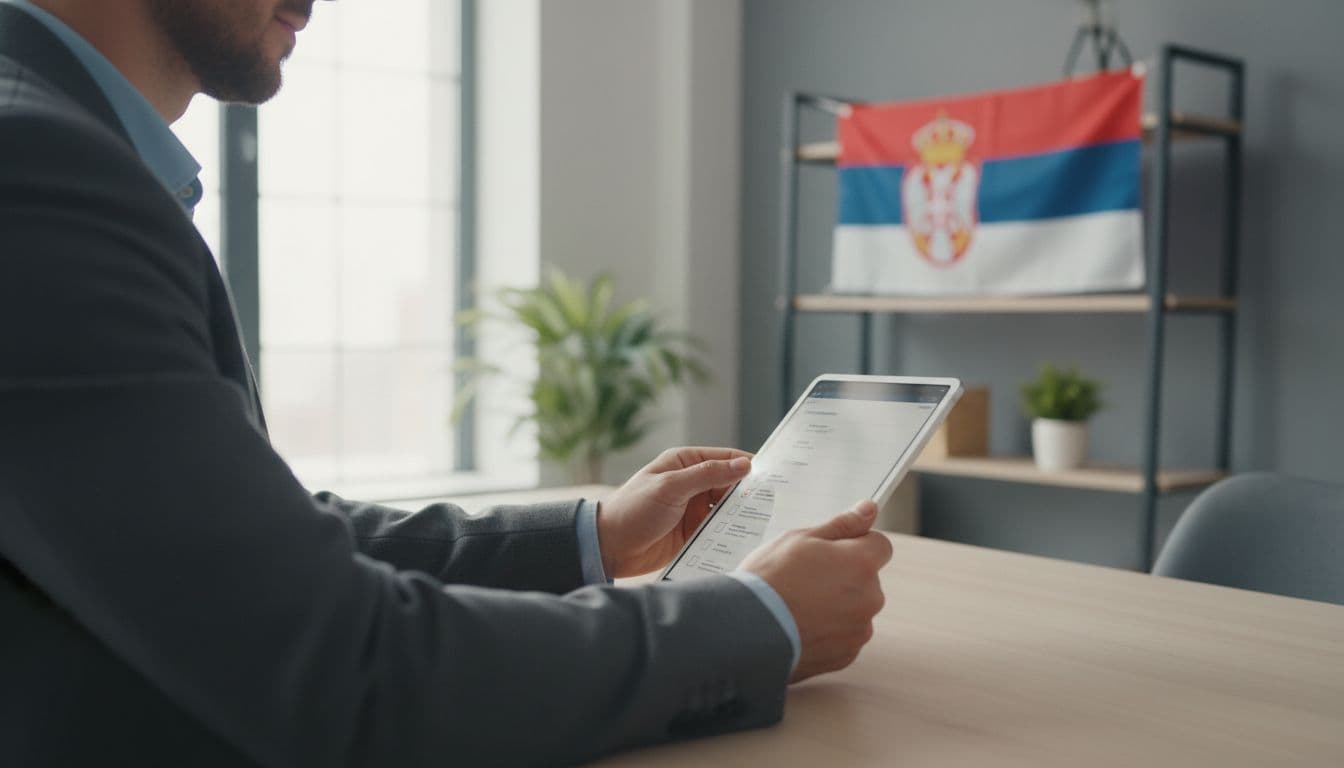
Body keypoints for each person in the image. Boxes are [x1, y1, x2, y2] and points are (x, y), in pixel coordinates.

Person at [0, 1, 892, 765]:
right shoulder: (40, 165)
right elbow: (345, 667)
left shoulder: (54, 144)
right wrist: (756, 621)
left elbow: (231, 550)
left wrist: (595, 538)